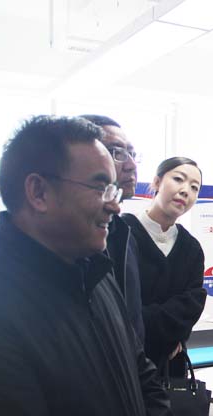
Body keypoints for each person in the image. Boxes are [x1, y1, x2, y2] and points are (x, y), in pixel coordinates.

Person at [0, 115, 191, 416]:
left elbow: (140, 368)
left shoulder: (96, 271)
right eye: (100, 187)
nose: (114, 205)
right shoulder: (0, 299)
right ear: (38, 192)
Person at [123, 156, 207, 376]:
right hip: (123, 358)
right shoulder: (121, 233)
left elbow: (192, 303)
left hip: (170, 366)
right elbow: (117, 304)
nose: (185, 191)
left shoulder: (191, 248)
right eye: (178, 179)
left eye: (194, 187)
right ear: (157, 182)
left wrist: (172, 332)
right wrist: (169, 333)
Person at [80, 114, 145, 342]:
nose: (131, 165)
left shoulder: (125, 234)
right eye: (116, 152)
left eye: (132, 154)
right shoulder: (69, 242)